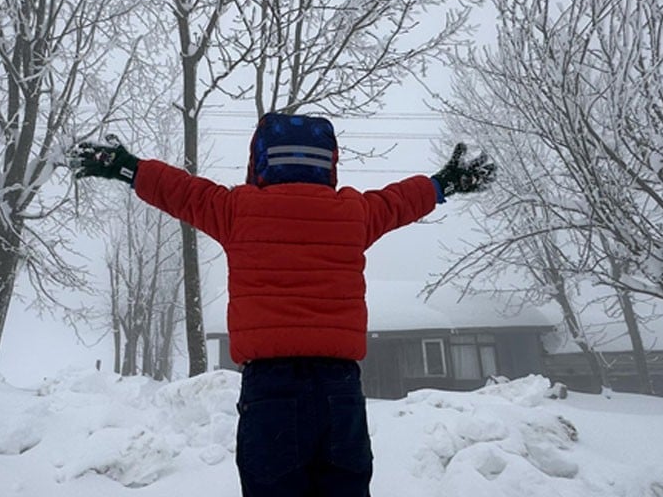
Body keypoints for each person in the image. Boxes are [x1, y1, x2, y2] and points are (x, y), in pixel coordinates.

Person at [70, 113, 495, 497]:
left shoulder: (238, 210)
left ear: (260, 161)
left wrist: (127, 167)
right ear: (328, 164)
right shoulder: (352, 212)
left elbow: (181, 192)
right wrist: (445, 182)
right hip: (339, 393)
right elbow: (400, 201)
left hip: (269, 393)